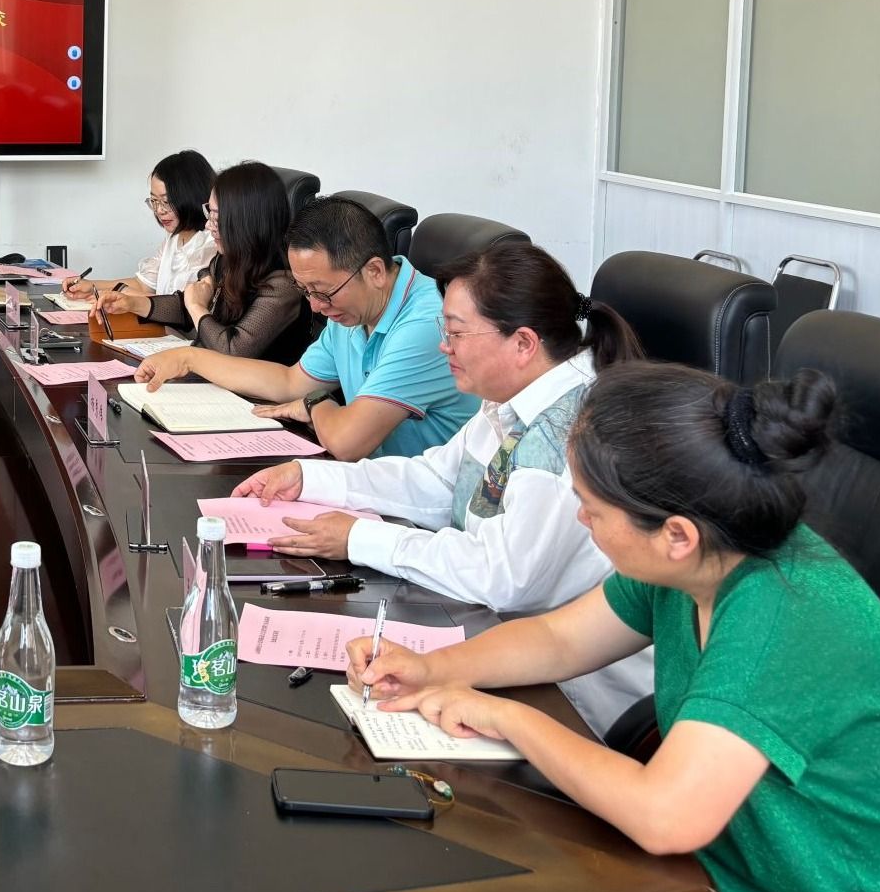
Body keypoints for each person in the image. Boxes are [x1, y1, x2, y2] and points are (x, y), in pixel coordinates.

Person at [348, 363, 880, 892]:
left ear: (676, 535)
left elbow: (667, 818)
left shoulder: (779, 618)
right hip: (724, 873)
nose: (581, 519)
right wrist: (435, 667)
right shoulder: (704, 550)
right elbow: (561, 638)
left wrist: (508, 718)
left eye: (591, 508)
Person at [234, 241, 652, 732]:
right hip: (499, 646)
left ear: (523, 343)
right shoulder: (511, 399)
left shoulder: (566, 430)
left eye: (456, 333)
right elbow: (435, 481)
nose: (443, 347)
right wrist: (309, 476)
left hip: (575, 701)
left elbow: (502, 577)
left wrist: (360, 538)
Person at [136, 195, 477, 460]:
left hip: (421, 513)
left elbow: (347, 441)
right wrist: (189, 359)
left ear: (374, 271)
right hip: (373, 481)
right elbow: (290, 382)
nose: (315, 307)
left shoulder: (427, 324)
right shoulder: (354, 307)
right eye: (306, 291)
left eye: (323, 292)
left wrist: (315, 404)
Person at [95, 161, 312, 363]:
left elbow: (233, 351)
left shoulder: (283, 284)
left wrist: (197, 307)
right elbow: (186, 306)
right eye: (209, 213)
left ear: (245, 221)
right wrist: (131, 304)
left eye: (217, 217)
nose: (208, 226)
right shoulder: (228, 260)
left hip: (250, 390)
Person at [61, 150, 217, 300]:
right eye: (154, 201)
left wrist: (123, 295)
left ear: (192, 197)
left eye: (166, 201)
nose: (159, 211)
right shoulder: (173, 239)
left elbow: (178, 306)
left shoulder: (212, 244)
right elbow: (143, 285)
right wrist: (92, 286)